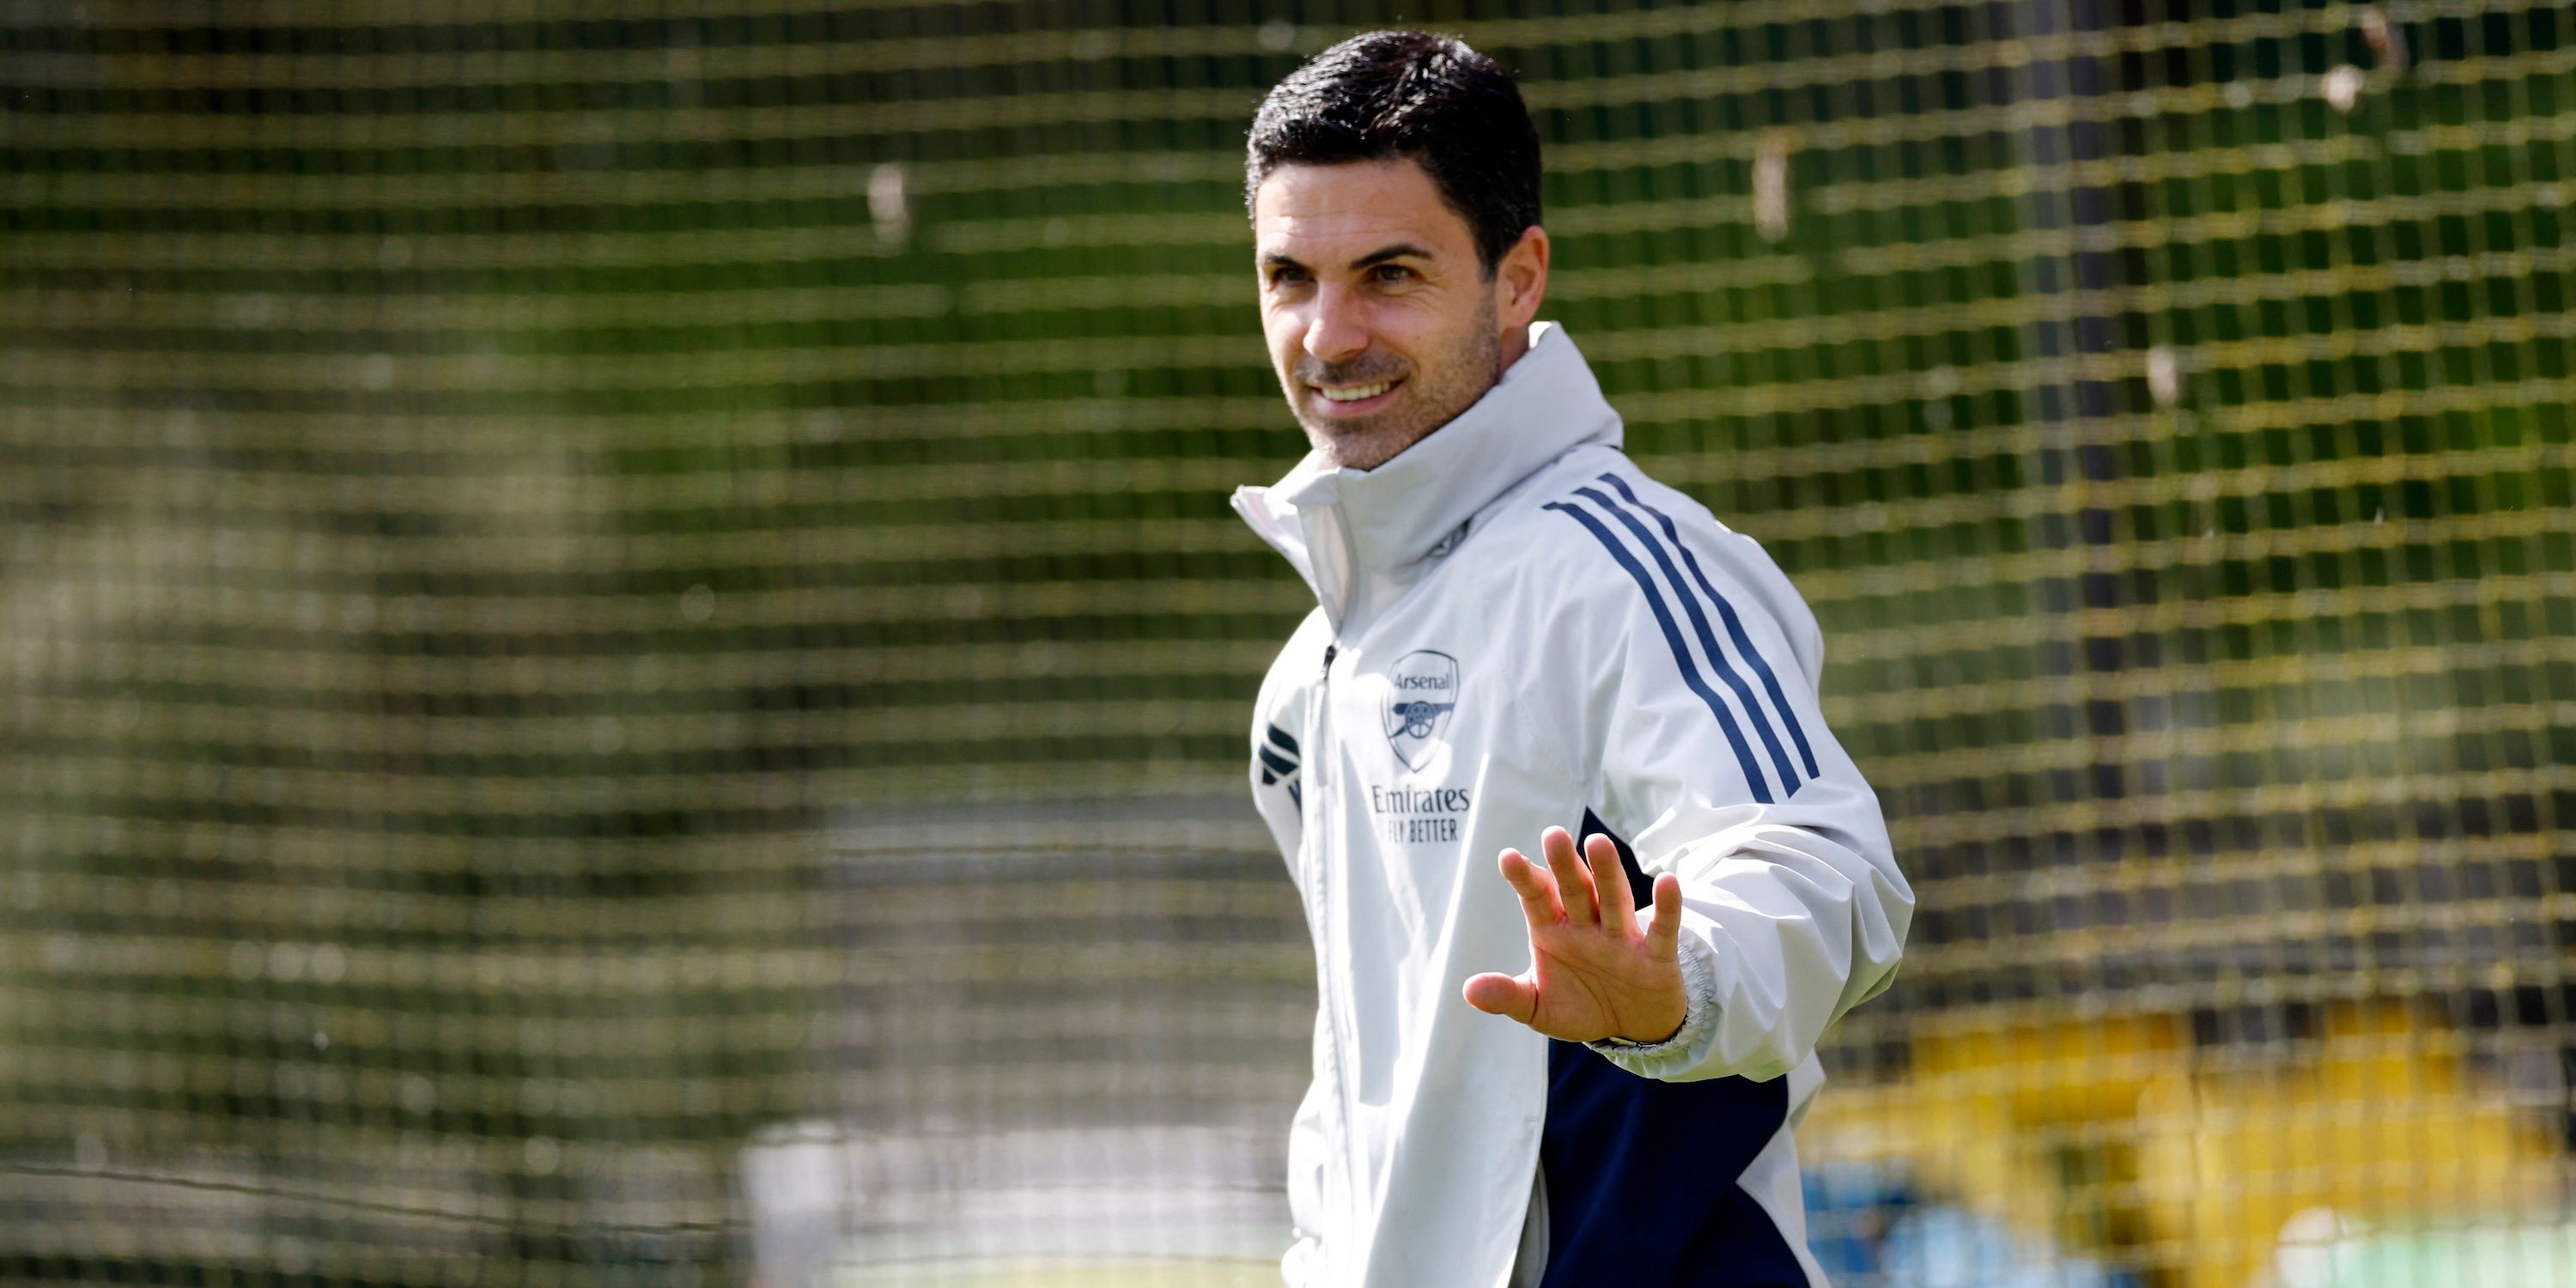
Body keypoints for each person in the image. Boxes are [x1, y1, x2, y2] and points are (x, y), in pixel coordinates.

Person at [1232, 31, 1915, 1288]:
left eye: (1390, 274)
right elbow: (1366, 1084)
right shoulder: (1307, 683)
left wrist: (1676, 987)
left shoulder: (1616, 571)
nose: (1329, 334)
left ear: (1518, 279)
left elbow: (1830, 869)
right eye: (1291, 278)